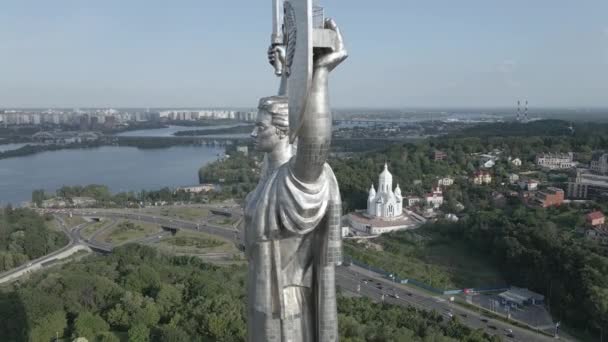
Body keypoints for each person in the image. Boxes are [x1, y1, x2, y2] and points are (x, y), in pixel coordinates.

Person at [244, 18, 347, 342]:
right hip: (263, 302)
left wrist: (320, 77)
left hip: (286, 309)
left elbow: (315, 143)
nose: (253, 133)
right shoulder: (272, 175)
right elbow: (288, 116)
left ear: (282, 133)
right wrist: (289, 71)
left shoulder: (295, 183)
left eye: (260, 128)